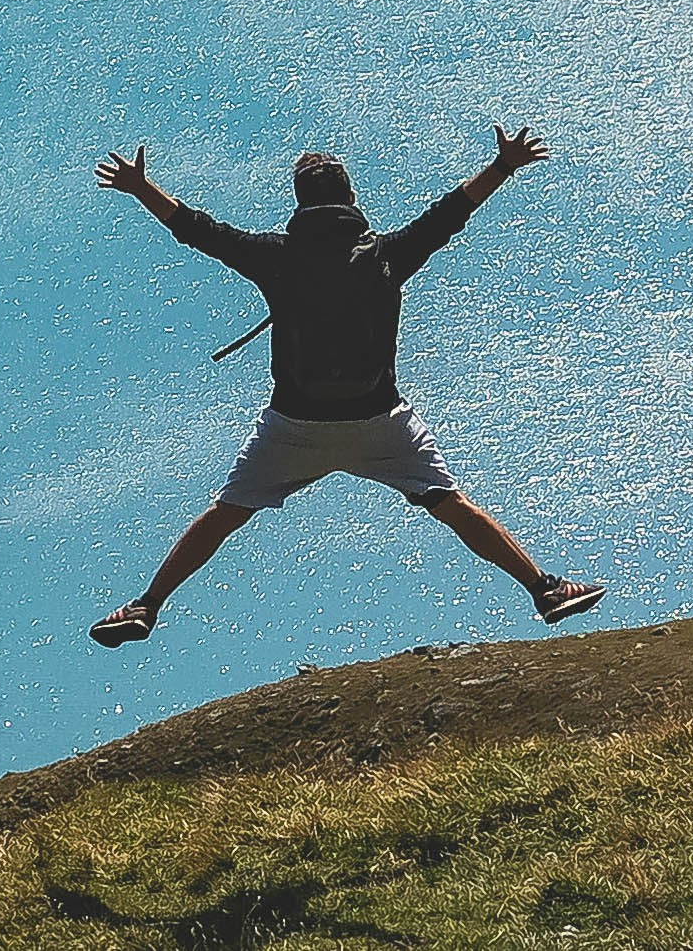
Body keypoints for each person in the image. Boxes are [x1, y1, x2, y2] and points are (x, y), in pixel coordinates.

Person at [85, 127, 605, 646]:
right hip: (377, 419)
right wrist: (503, 166)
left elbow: (199, 230)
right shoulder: (385, 254)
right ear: (351, 199)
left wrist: (140, 188)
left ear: (298, 202)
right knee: (448, 502)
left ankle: (147, 606)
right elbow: (448, 216)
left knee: (227, 513)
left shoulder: (276, 256)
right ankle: (545, 589)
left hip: (295, 425)